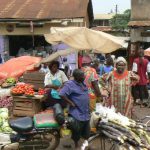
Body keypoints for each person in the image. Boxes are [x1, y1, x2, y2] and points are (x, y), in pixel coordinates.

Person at [59, 69, 90, 149]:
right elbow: (61, 94)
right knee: (76, 129)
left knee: (86, 129)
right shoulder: (70, 84)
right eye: (82, 76)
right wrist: (71, 102)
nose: (84, 77)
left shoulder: (82, 83)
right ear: (76, 77)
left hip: (85, 111)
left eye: (84, 75)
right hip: (76, 112)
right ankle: (76, 144)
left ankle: (85, 143)